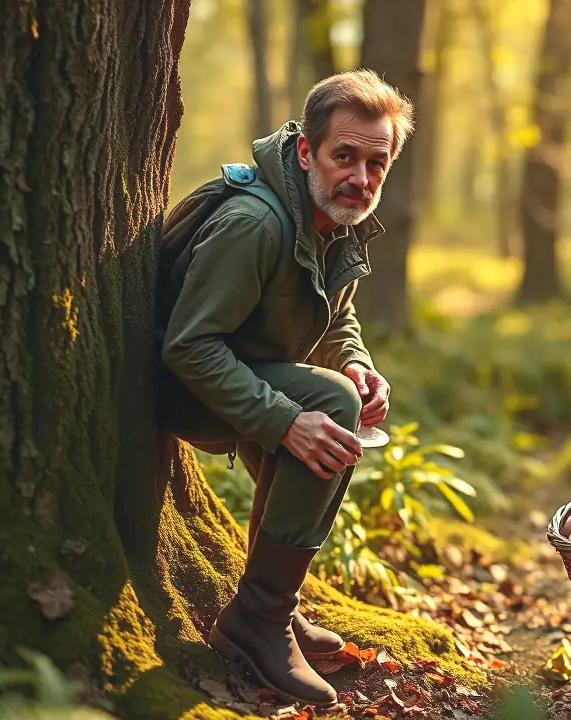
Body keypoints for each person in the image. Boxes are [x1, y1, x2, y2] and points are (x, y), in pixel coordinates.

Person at [154, 69, 412, 707]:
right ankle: (259, 620)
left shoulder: (332, 217)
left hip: (237, 372)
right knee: (328, 406)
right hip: (176, 386)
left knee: (337, 392)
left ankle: (270, 606)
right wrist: (282, 417)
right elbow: (187, 345)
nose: (359, 176)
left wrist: (355, 362)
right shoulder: (257, 223)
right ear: (306, 152)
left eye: (375, 163)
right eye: (343, 156)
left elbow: (335, 313)